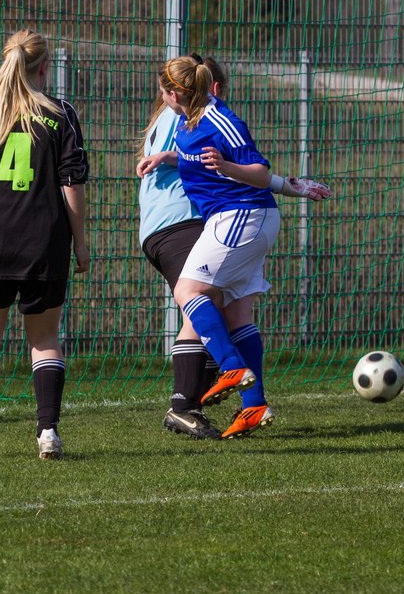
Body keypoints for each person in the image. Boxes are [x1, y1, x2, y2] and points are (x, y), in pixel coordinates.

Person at [136, 54, 330, 440]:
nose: (160, 95)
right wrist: (169, 157)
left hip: (242, 215)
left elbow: (256, 170)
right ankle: (254, 406)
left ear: (178, 93)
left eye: (164, 89)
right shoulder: (188, 123)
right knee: (239, 313)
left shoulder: (218, 118)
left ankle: (230, 367)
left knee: (188, 291)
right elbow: (200, 160)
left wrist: (231, 169)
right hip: (240, 217)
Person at [0, 29, 90, 460]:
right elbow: (72, 184)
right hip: (45, 241)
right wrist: (80, 241)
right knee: (44, 337)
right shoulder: (60, 114)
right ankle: (47, 433)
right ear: (44, 66)